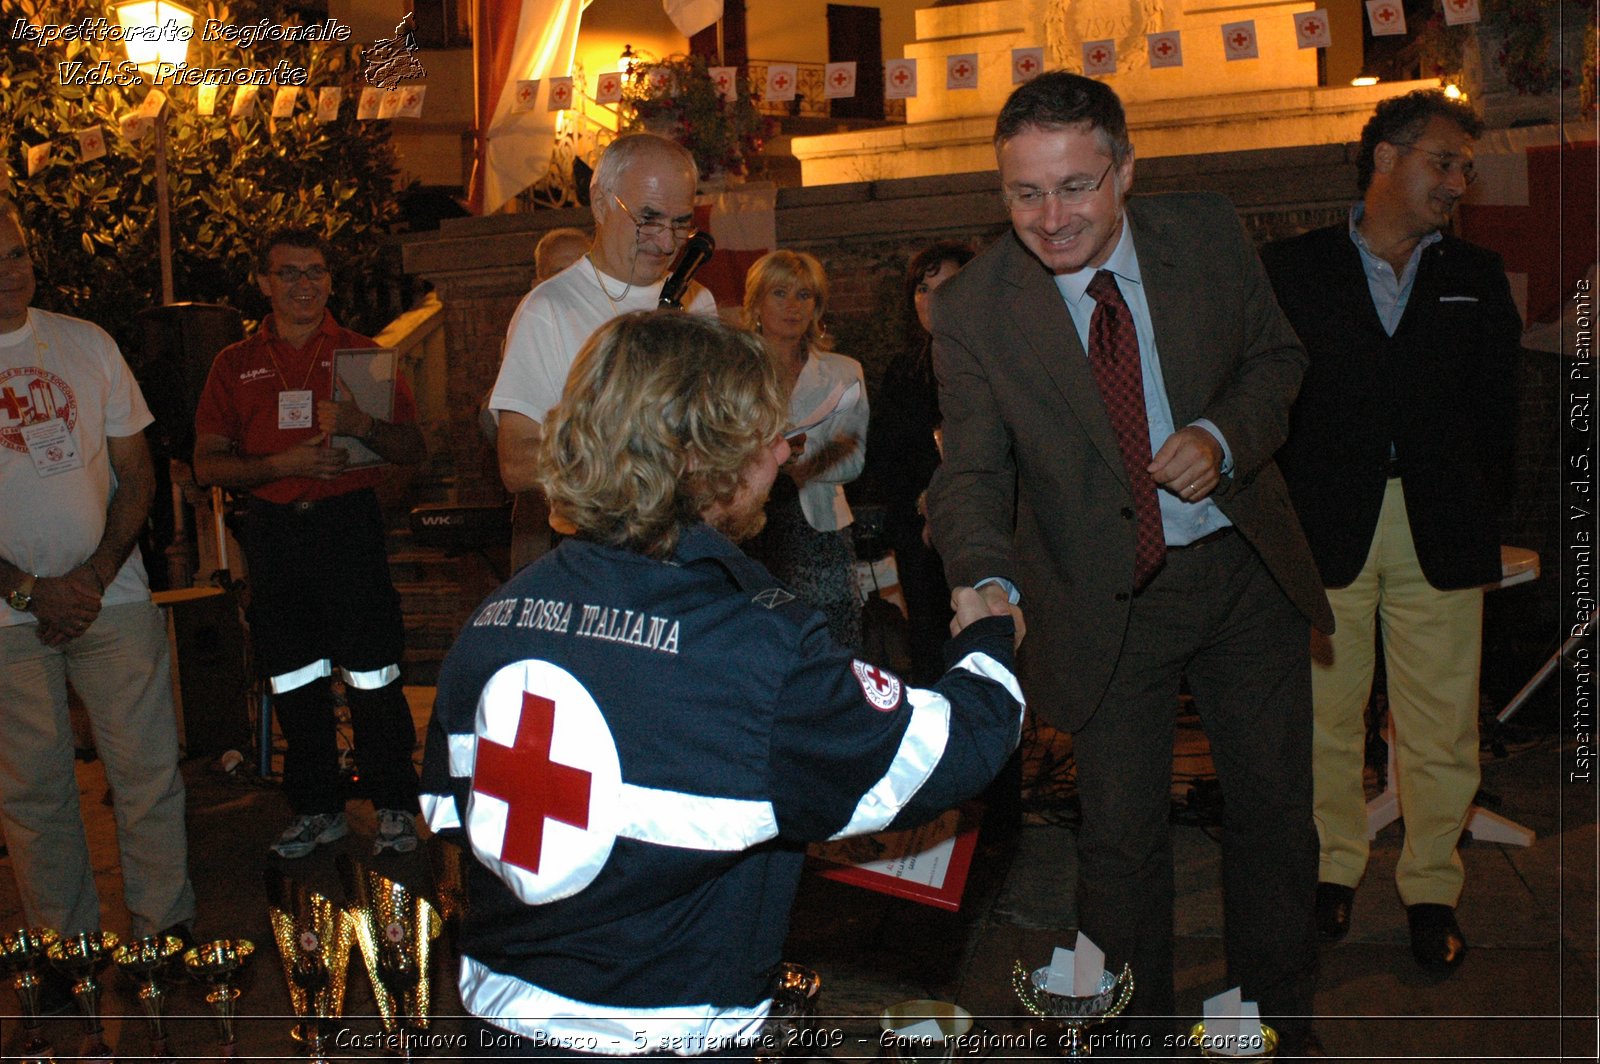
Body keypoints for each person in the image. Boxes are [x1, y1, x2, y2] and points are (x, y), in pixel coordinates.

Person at [419, 310, 1023, 1058]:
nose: (780, 454)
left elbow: (450, 820)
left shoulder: (496, 617)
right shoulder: (753, 649)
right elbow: (945, 752)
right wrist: (990, 641)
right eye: (761, 438)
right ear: (698, 462)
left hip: (495, 1024)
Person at [925, 72, 1333, 1052]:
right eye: (1025, 193)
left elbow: (1277, 361)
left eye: (1075, 186)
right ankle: (1131, 1032)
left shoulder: (1204, 230)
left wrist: (1221, 434)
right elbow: (972, 472)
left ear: (1124, 171)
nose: (1051, 217)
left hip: (1241, 576)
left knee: (1275, 817)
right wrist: (981, 574)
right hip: (1102, 593)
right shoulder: (977, 306)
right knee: (1116, 842)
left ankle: (1269, 1024)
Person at [1263, 89, 1521, 971]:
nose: (1457, 182)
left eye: (1463, 169)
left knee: (1441, 723)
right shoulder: (1291, 270)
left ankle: (1431, 891)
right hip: (1325, 526)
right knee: (1323, 717)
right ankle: (1332, 872)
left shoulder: (1474, 276)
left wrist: (1479, 500)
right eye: (1442, 162)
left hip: (1439, 527)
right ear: (1384, 158)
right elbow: (1263, 398)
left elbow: (1500, 409)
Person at [193, 228, 427, 859]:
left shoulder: (362, 356)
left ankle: (396, 808)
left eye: (316, 272)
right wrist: (280, 463)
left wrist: (362, 425)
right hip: (273, 533)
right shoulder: (233, 364)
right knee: (293, 676)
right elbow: (208, 464)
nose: (305, 285)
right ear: (265, 284)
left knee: (374, 673)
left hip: (348, 526)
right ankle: (317, 807)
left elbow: (414, 450)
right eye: (290, 273)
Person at [0, 197, 197, 942]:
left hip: (111, 601)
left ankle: (163, 937)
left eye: (15, 254)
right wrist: (26, 587)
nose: (7, 273)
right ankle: (64, 948)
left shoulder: (88, 344)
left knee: (148, 778)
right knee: (35, 795)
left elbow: (137, 475)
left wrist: (92, 575)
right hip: (8, 614)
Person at [489, 134, 713, 570]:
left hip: (689, 548)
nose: (667, 244)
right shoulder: (550, 308)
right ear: (600, 202)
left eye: (681, 224)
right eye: (648, 219)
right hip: (600, 556)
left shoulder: (697, 302)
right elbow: (516, 461)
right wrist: (629, 454)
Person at [740, 250, 868, 648]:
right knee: (756, 641)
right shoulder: (730, 368)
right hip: (745, 524)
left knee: (828, 645)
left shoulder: (843, 371)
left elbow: (854, 455)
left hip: (818, 526)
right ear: (756, 302)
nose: (793, 306)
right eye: (780, 293)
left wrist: (800, 463)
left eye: (804, 295)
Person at [865, 240, 975, 684]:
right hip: (923, 542)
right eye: (921, 289)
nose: (931, 301)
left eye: (944, 287)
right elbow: (884, 461)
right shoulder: (904, 370)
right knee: (933, 659)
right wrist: (920, 502)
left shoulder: (998, 361)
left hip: (986, 534)